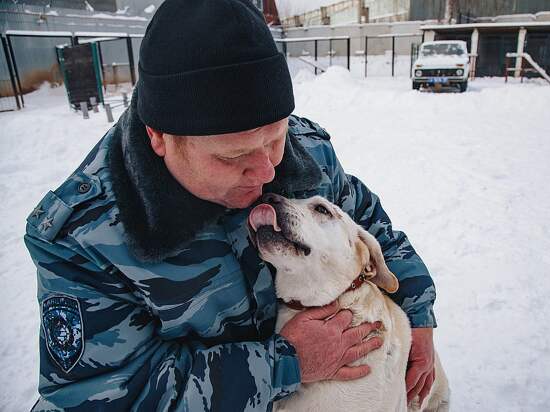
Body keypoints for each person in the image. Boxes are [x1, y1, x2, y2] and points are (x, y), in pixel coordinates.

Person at [24, 0, 437, 410]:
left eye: (274, 138)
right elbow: (103, 396)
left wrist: (417, 314)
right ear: (160, 138)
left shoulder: (305, 152)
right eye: (231, 157)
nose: (266, 172)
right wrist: (283, 363)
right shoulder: (86, 235)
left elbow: (364, 221)